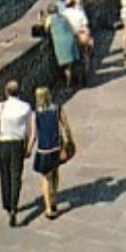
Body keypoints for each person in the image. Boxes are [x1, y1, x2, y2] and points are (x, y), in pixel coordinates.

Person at [0, 80, 33, 227]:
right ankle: (13, 207)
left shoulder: (0, 107)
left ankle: (6, 203)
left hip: (3, 143)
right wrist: (29, 146)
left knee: (4, 174)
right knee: (16, 176)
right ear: (19, 91)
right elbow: (28, 128)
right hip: (17, 144)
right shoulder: (26, 107)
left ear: (6, 92)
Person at [28, 85, 72, 220]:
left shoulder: (36, 114)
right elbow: (66, 127)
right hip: (56, 147)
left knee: (46, 178)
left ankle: (48, 207)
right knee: (56, 173)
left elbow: (34, 135)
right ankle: (54, 200)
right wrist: (69, 141)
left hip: (44, 149)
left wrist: (28, 149)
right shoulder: (57, 109)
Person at [61, 0, 95, 84]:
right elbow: (85, 26)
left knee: (72, 60)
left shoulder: (64, 14)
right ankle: (84, 76)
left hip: (69, 37)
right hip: (81, 36)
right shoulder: (79, 13)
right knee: (84, 56)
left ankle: (71, 80)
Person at [45, 2, 80, 89]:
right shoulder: (64, 17)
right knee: (71, 64)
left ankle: (68, 85)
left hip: (60, 42)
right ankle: (76, 81)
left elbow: (46, 29)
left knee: (65, 66)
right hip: (70, 39)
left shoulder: (50, 18)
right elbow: (71, 27)